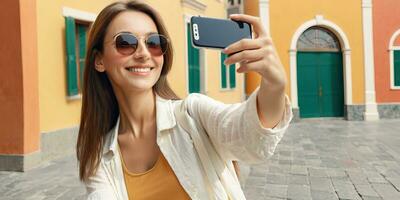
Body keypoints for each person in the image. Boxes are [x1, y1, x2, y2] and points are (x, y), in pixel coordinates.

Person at [76, 1, 292, 199]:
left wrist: (274, 85)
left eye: (153, 42)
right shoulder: (99, 156)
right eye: (125, 42)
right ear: (99, 60)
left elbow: (249, 138)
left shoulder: (192, 114)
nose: (143, 53)